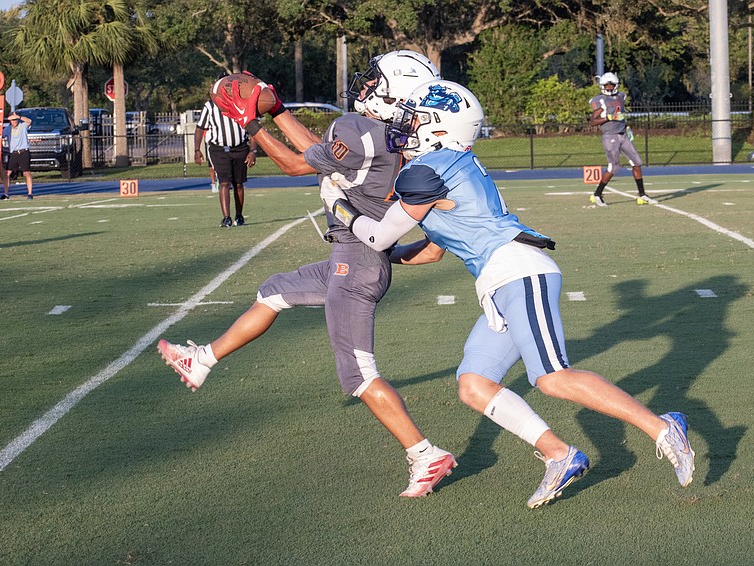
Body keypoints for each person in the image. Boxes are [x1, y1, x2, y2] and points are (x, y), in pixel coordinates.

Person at [327, 79, 695, 508]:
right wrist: (381, 257)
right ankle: (560, 454)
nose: (406, 127)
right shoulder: (446, 166)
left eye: (416, 119)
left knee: (552, 377)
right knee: (474, 384)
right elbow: (428, 252)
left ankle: (662, 427)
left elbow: (374, 235)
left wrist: (336, 203)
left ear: (441, 128)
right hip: (499, 281)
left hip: (519, 272)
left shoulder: (426, 170)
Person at [157, 51, 456, 498]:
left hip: (355, 263)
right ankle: (201, 360)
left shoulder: (358, 129)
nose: (367, 85)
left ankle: (424, 453)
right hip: (358, 258)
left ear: (394, 89)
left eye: (376, 80)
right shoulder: (394, 136)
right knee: (274, 291)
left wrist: (253, 124)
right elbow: (318, 154)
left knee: (358, 375)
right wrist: (276, 111)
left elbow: (298, 164)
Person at [587, 72, 655, 207]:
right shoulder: (600, 100)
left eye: (612, 85)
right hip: (610, 136)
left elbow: (621, 115)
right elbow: (593, 122)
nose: (610, 88)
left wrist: (627, 126)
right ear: (602, 86)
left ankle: (642, 195)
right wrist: (609, 118)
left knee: (637, 163)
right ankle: (597, 195)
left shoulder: (621, 96)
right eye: (607, 85)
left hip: (623, 134)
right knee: (613, 167)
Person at [194, 94, 257, 227]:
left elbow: (253, 128)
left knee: (239, 183)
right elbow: (200, 128)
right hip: (219, 149)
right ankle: (226, 217)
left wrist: (252, 151)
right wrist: (197, 150)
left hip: (240, 148)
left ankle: (239, 216)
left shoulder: (242, 104)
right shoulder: (210, 106)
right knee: (224, 182)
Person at [2, 112, 34, 200]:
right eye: (12, 120)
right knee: (7, 173)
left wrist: (19, 116)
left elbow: (29, 121)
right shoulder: (7, 129)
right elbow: (1, 135)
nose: (14, 121)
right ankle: (6, 194)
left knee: (26, 173)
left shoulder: (23, 126)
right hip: (14, 153)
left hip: (24, 152)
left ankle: (30, 193)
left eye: (15, 119)